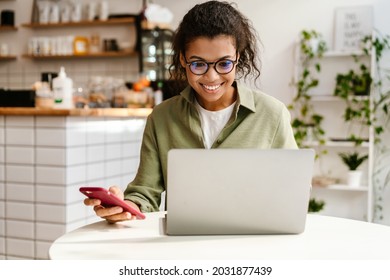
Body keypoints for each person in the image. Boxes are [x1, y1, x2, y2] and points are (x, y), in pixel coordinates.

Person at [84, 0, 297, 223]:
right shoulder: (162, 117)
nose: (211, 77)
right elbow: (145, 193)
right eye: (198, 64)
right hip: (181, 246)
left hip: (251, 240)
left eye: (224, 64)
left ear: (238, 59)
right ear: (183, 60)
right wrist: (126, 207)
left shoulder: (272, 114)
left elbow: (291, 189)